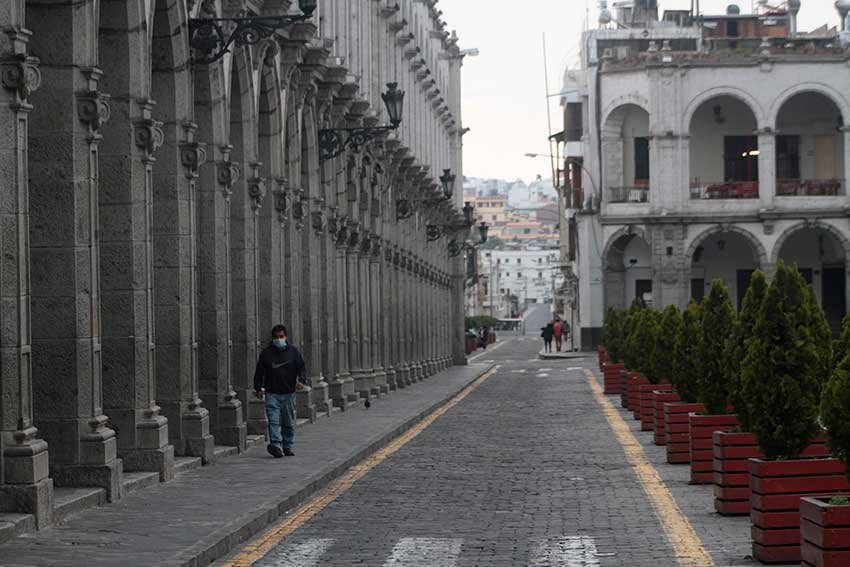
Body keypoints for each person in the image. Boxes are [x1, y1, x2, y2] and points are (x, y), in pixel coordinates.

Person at [254, 324, 307, 458]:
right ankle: (276, 445)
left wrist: (301, 381)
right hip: (272, 393)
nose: (279, 339)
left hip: (288, 393)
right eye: (276, 337)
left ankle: (287, 446)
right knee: (274, 421)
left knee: (288, 422)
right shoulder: (266, 354)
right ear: (272, 338)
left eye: (281, 336)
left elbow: (302, 368)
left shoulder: (293, 352)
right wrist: (258, 388)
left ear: (286, 336)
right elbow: (259, 372)